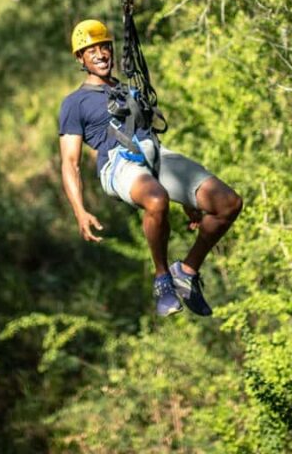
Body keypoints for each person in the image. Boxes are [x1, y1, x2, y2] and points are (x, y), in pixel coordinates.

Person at [58, 19, 243, 317]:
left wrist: (187, 197)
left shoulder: (129, 89)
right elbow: (70, 162)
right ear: (80, 58)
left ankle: (187, 272)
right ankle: (162, 279)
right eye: (91, 50)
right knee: (156, 199)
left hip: (155, 154)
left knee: (228, 203)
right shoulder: (74, 103)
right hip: (118, 163)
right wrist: (79, 210)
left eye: (104, 47)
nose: (101, 54)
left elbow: (150, 136)